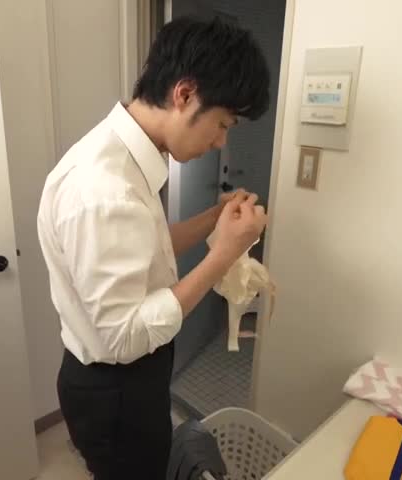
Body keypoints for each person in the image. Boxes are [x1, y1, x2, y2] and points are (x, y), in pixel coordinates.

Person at [36, 15, 271, 480]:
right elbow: (123, 337)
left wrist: (213, 218)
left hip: (128, 380)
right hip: (116, 390)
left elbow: (150, 248)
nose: (221, 141)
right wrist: (223, 254)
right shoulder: (105, 189)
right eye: (222, 124)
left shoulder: (125, 160)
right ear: (184, 94)